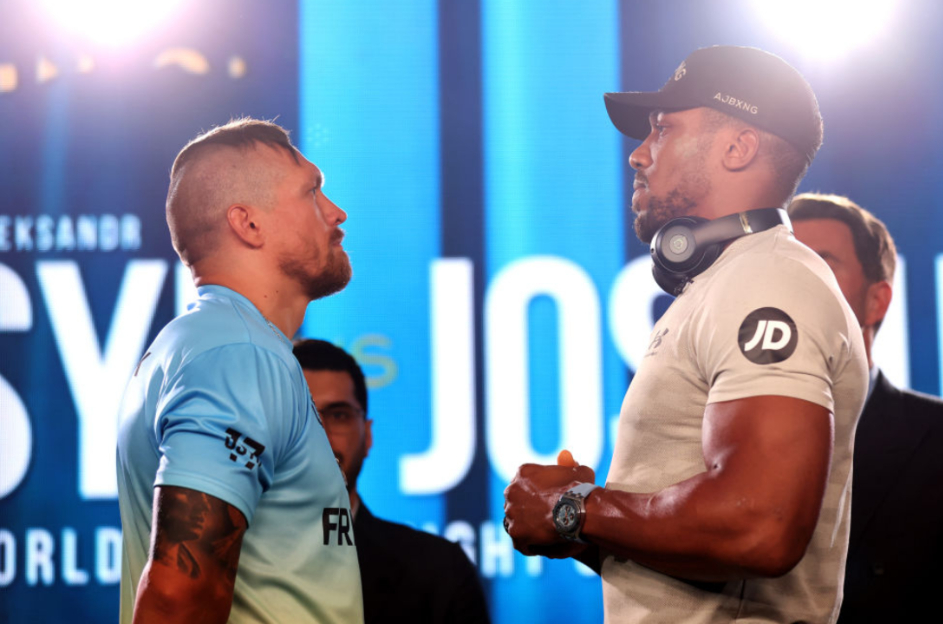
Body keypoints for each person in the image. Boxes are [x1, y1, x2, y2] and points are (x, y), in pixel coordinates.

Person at [503, 45, 869, 623]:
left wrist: (574, 508)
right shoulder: (729, 280)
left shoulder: (768, 280)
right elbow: (699, 564)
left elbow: (759, 527)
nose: (638, 154)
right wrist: (574, 526)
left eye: (663, 129)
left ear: (737, 148)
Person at [116, 118, 363, 623]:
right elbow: (177, 598)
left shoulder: (204, 343)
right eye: (312, 192)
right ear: (248, 224)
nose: (336, 212)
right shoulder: (239, 354)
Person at [788, 192, 943, 623]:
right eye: (782, 264)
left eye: (821, 263)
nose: (792, 282)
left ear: (876, 301)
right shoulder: (700, 438)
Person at [292, 338, 491, 624]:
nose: (319, 434)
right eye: (298, 414)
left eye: (338, 415)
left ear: (367, 435)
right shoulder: (229, 559)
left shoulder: (441, 572)